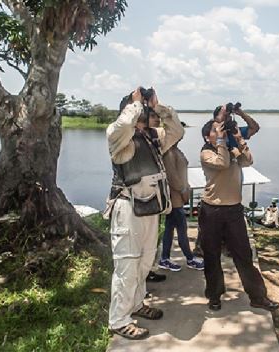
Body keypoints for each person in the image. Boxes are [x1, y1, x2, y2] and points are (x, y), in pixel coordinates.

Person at [105, 87, 184, 339]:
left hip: (150, 208)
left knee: (144, 262)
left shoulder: (151, 137)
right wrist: (134, 102)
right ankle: (118, 319)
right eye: (138, 107)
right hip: (127, 208)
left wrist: (158, 107)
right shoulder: (117, 137)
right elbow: (124, 124)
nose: (142, 111)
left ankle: (136, 304)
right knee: (127, 266)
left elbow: (177, 131)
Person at [199, 105, 278, 312]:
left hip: (233, 210)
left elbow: (248, 160)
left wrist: (238, 138)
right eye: (215, 131)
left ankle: (258, 296)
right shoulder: (206, 153)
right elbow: (223, 163)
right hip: (212, 210)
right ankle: (214, 295)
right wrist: (222, 141)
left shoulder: (231, 147)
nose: (220, 133)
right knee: (212, 255)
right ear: (208, 137)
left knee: (243, 254)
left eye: (220, 130)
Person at [192, 104, 260, 257]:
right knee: (209, 238)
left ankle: (228, 246)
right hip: (215, 198)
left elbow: (254, 129)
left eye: (228, 116)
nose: (226, 120)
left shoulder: (231, 134)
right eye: (224, 116)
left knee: (234, 237)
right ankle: (204, 249)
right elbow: (222, 163)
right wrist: (221, 135)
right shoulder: (208, 149)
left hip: (233, 192)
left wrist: (239, 118)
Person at [158, 140, 204, 271]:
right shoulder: (169, 153)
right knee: (181, 229)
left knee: (169, 229)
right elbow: (172, 177)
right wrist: (184, 192)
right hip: (175, 199)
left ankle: (164, 258)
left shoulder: (175, 150)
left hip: (178, 197)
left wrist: (185, 188)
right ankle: (189, 258)